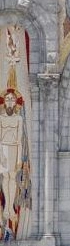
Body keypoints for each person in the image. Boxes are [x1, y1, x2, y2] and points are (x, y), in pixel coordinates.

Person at [0, 90, 24, 226]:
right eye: (7, 99)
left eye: (12, 99)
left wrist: (19, 158)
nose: (9, 101)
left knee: (13, 177)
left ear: (15, 102)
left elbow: (20, 139)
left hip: (14, 148)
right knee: (5, 177)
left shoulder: (19, 119)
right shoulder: (1, 118)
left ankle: (10, 207)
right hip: (3, 148)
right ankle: (7, 207)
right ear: (4, 101)